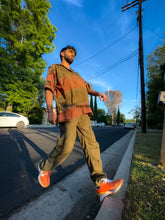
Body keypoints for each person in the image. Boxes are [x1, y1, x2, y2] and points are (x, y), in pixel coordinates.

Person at [38, 45, 123, 200]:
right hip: (68, 111)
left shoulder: (77, 75)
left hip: (83, 111)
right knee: (67, 146)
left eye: (75, 54)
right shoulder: (55, 68)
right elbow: (49, 88)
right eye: (71, 52)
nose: (73, 55)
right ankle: (45, 167)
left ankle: (101, 182)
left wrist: (98, 93)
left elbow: (87, 88)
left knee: (92, 145)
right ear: (62, 53)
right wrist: (50, 110)